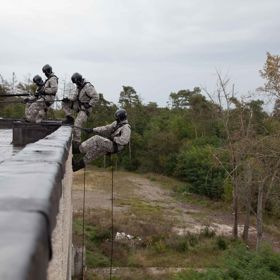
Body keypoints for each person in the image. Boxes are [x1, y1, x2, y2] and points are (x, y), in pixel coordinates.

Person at [62, 72, 99, 149]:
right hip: (78, 106)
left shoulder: (88, 87)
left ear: (78, 80)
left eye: (76, 83)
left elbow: (96, 97)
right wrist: (68, 99)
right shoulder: (79, 86)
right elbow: (74, 97)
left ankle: (77, 142)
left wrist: (89, 104)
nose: (76, 84)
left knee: (77, 124)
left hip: (85, 109)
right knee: (64, 103)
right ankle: (69, 117)